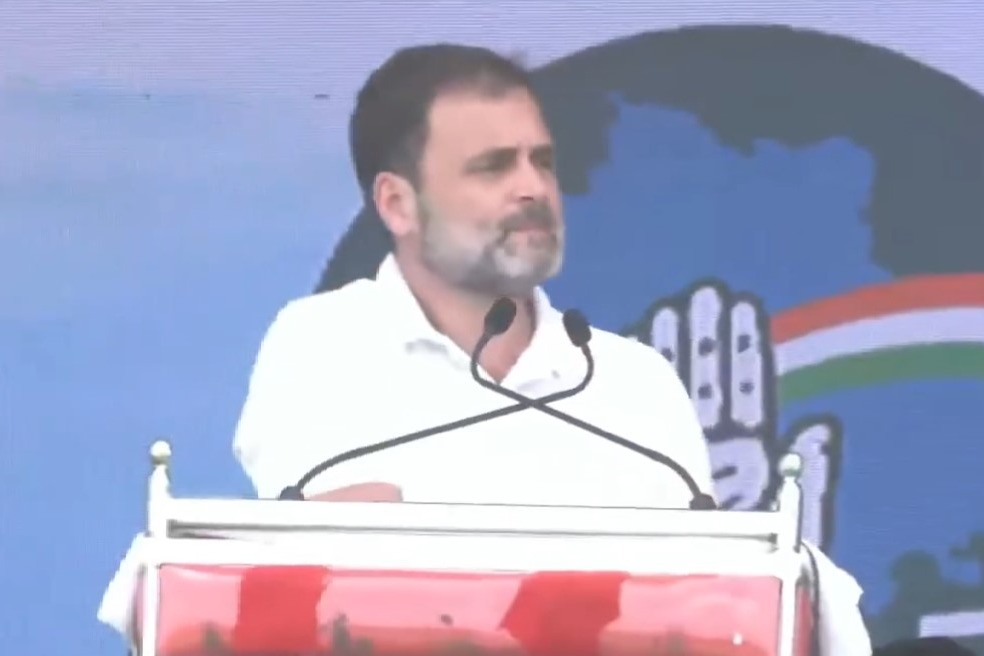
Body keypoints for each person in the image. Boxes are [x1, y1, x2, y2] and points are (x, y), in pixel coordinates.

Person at [98, 44, 870, 654]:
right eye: (493, 166)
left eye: (542, 160)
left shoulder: (637, 384)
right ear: (398, 203)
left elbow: (694, 611)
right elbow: (342, 563)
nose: (532, 188)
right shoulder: (325, 344)